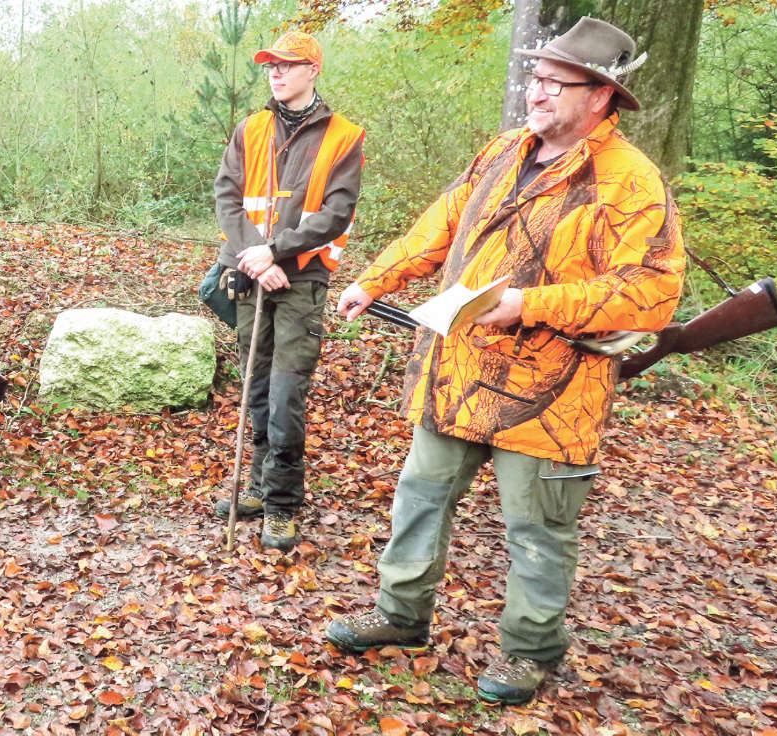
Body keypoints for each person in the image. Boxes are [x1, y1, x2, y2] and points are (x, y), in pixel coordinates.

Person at [325, 17, 686, 705]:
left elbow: (653, 292)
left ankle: (530, 650)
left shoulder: (630, 182)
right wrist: (375, 280)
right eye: (535, 77)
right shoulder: (502, 151)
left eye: (555, 83)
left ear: (600, 97)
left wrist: (531, 303)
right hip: (459, 372)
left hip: (553, 395)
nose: (537, 91)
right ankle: (401, 617)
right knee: (420, 501)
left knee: (538, 531)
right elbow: (439, 224)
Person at [212, 32, 364, 552]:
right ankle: (256, 487)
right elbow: (227, 199)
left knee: (284, 398)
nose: (276, 73)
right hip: (254, 274)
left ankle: (281, 506)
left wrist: (277, 251)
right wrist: (257, 254)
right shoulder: (250, 129)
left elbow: (336, 213)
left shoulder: (344, 137)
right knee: (255, 389)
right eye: (270, 65)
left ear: (312, 70)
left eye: (287, 64)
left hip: (303, 279)